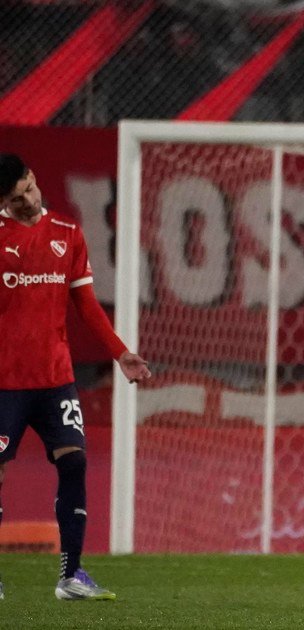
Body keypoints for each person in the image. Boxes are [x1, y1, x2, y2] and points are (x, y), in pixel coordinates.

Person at [0, 154, 152, 600]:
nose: (28, 200)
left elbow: (86, 307)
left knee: (75, 460)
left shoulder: (68, 234)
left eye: (29, 188)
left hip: (55, 381)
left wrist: (120, 353)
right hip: (5, 384)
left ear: (34, 178)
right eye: (16, 198)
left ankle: (71, 575)